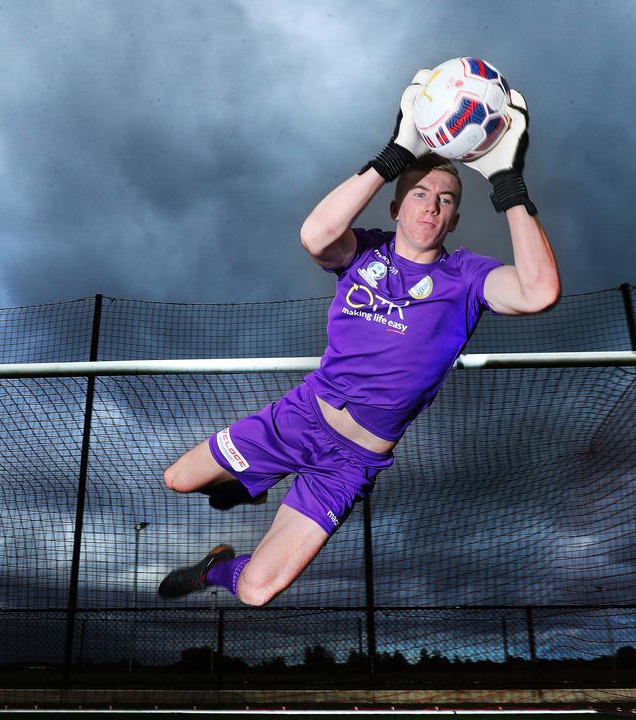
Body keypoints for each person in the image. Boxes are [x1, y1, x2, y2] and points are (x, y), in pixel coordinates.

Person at [157, 70, 560, 607]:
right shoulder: (364, 250)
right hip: (301, 417)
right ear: (396, 209)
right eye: (418, 194)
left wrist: (508, 181)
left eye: (444, 200)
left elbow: (538, 292)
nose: (430, 206)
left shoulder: (467, 277)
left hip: (351, 461)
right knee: (179, 480)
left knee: (257, 593)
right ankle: (245, 484)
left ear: (455, 219)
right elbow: (315, 236)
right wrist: (396, 153)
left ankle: (217, 568)